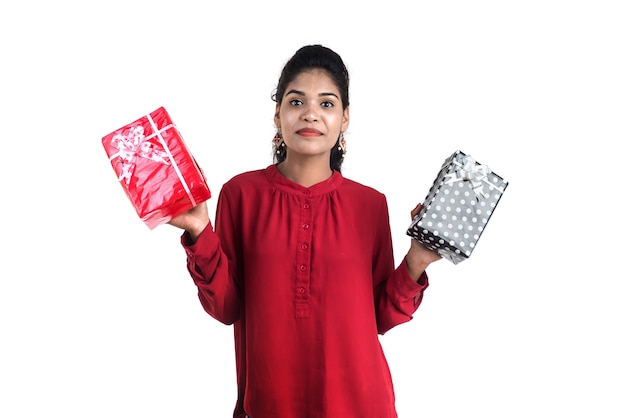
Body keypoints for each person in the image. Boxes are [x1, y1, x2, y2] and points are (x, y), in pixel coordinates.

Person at [168, 44, 442, 418]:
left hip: (361, 406)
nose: (311, 113)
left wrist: (416, 262)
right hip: (269, 404)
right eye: (296, 102)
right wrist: (200, 230)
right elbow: (226, 306)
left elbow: (379, 318)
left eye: (327, 104)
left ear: (345, 119)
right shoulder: (240, 195)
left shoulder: (370, 205)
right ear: (278, 113)